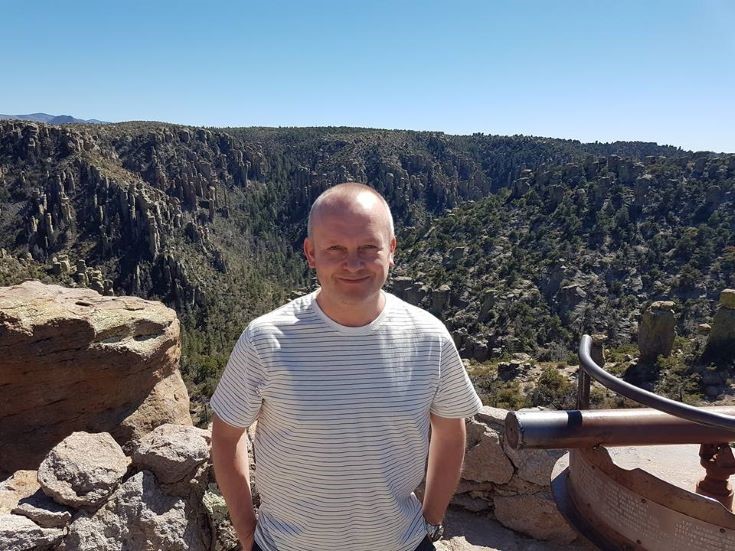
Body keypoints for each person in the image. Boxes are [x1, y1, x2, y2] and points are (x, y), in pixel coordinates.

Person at [210, 183, 482, 551]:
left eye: (368, 247)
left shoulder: (430, 338)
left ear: (392, 250)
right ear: (311, 253)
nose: (352, 263)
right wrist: (247, 534)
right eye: (335, 248)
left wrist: (431, 522)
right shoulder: (265, 340)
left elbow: (450, 433)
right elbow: (227, 438)